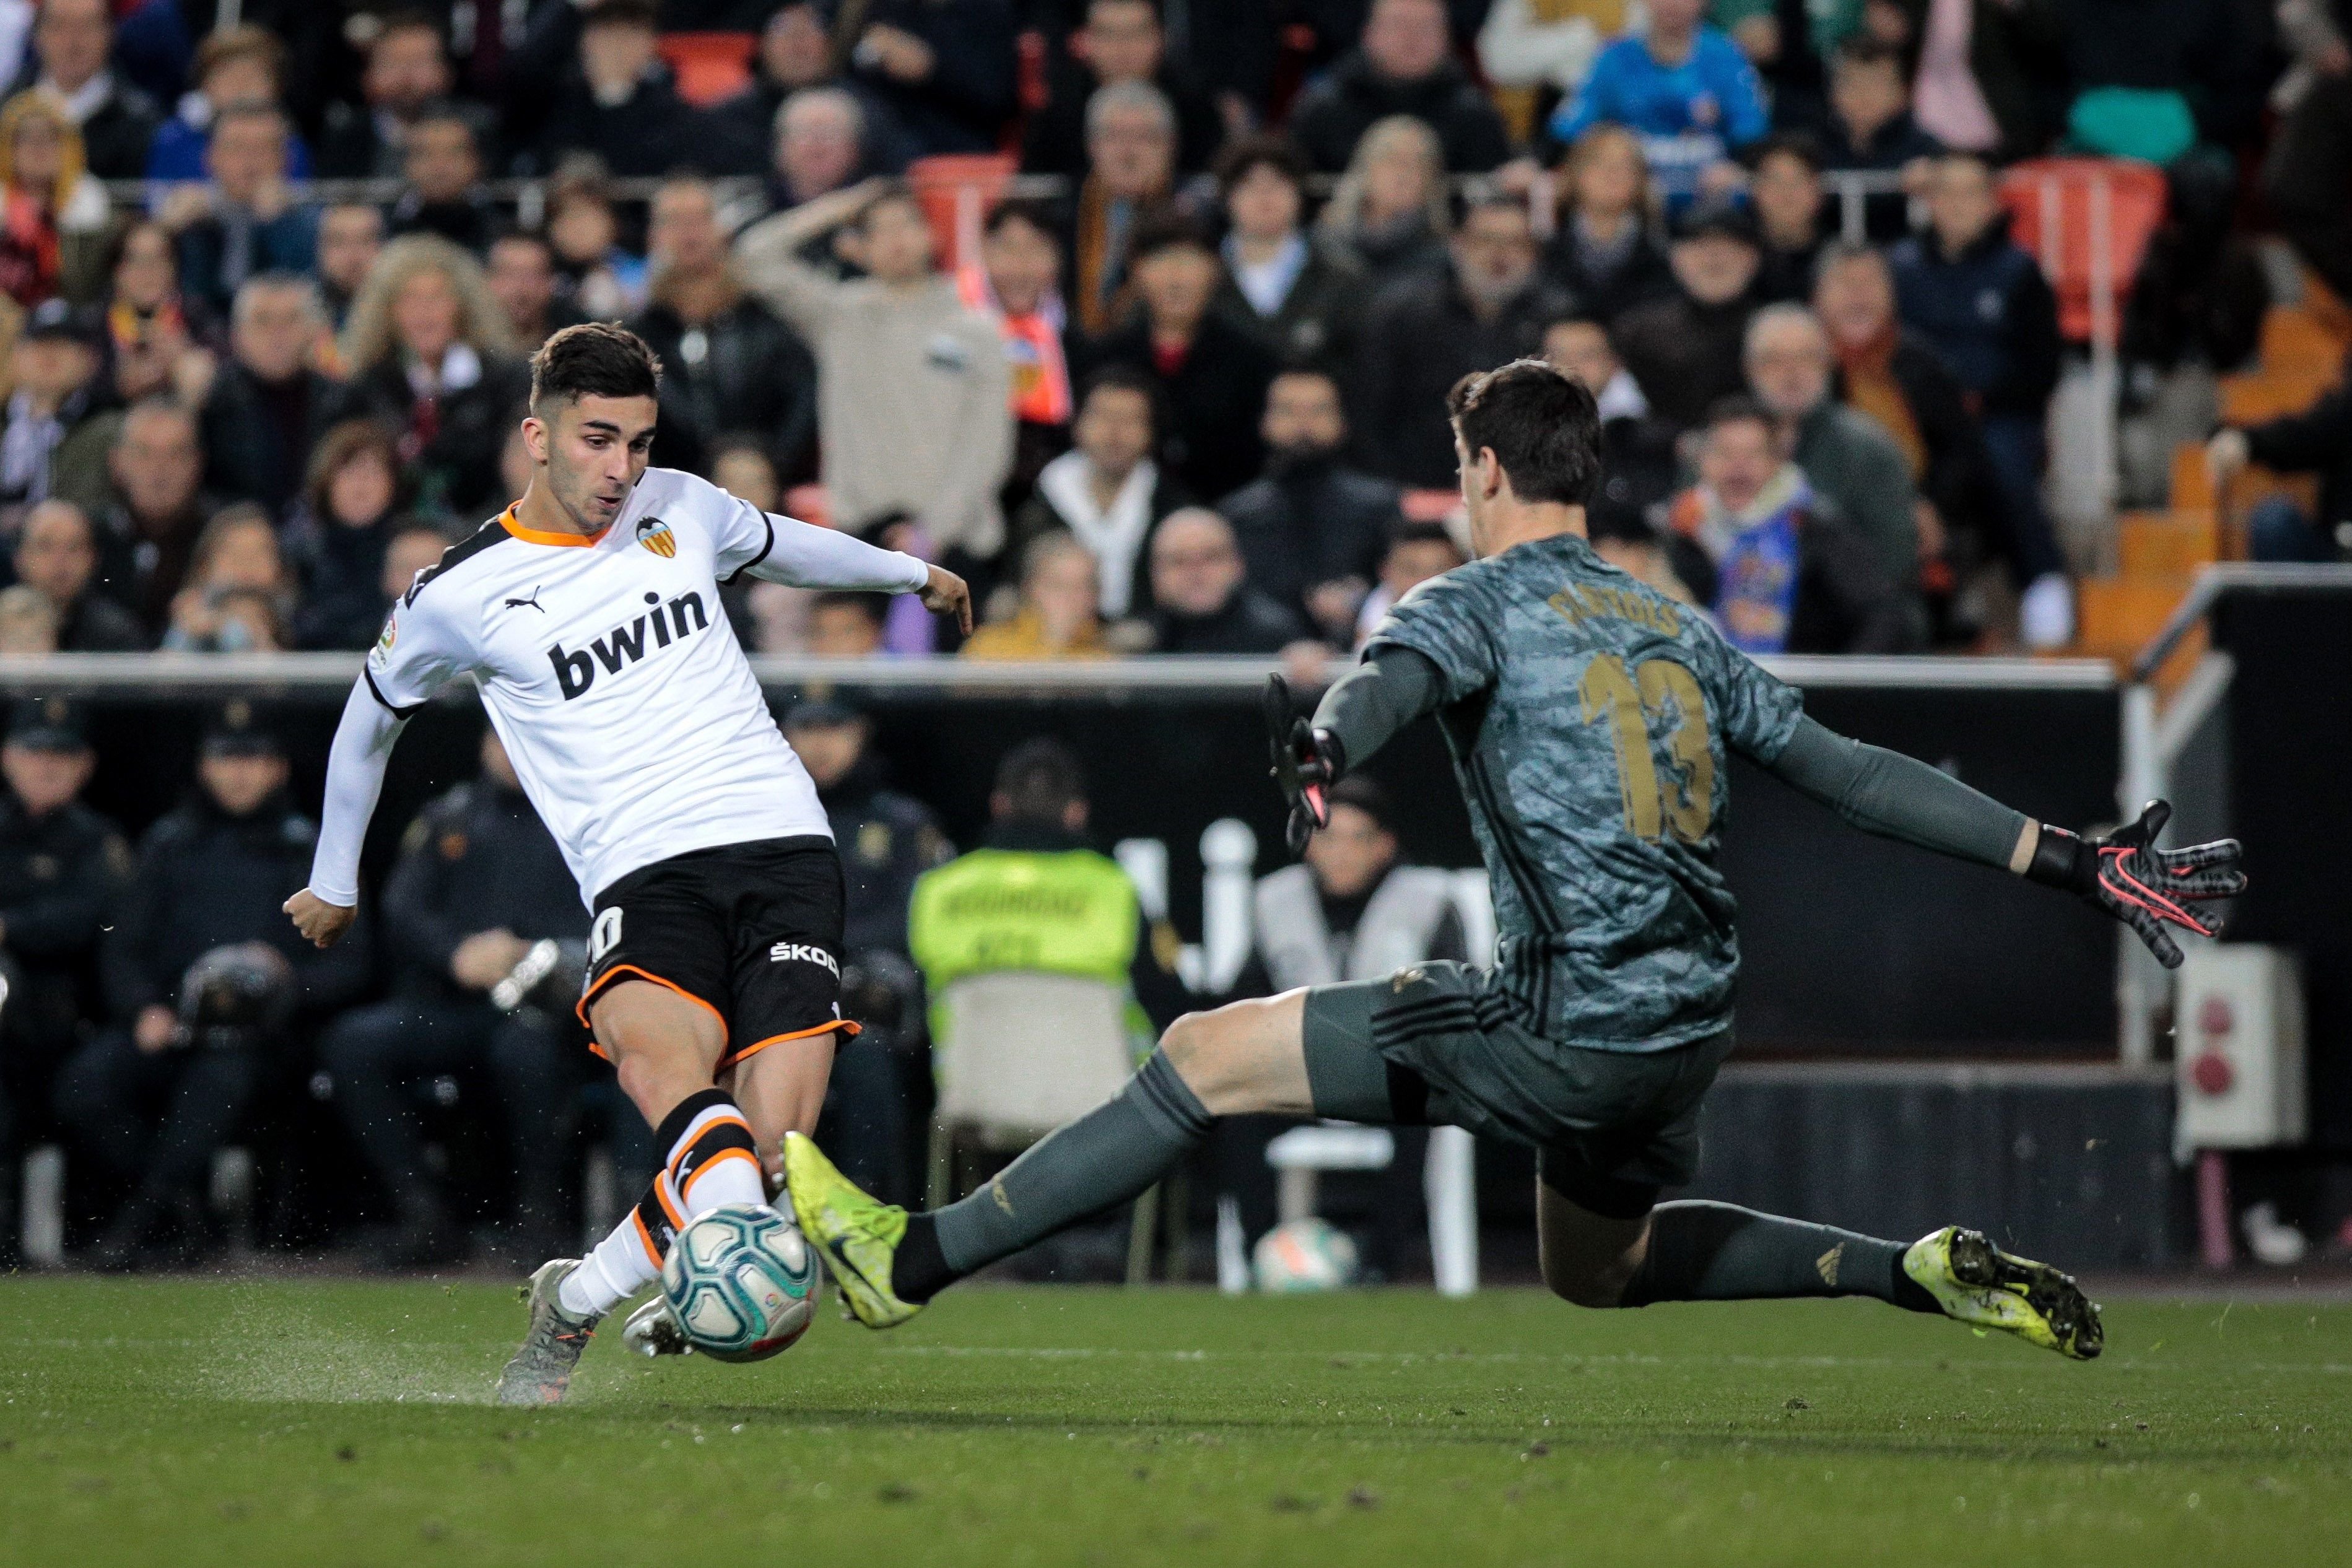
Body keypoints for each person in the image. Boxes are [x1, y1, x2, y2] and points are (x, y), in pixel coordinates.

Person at [782, 357, 2243, 1361]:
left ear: (1481, 469)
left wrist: (1326, 748)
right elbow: (1852, 776)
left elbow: (1383, 679)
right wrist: (2070, 856)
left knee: (1202, 1051)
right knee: (1591, 1267)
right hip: (1684, 1031)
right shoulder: (1672, 619)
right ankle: (1901, 1263)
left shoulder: (1468, 596)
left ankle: (904, 1259)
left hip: (1560, 1024)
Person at [281, 323, 971, 1402]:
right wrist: (334, 877)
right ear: (537, 436)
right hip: (647, 871)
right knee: (679, 1093)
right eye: (598, 440)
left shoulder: (679, 507)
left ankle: (575, 1302)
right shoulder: (458, 592)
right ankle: (678, 1279)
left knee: (762, 1160)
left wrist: (911, 574)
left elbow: (785, 540)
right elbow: (367, 722)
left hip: (786, 845)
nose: (621, 469)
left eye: (638, 443)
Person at [58, 704, 370, 1271]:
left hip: (268, 1038)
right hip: (172, 1024)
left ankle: (143, 1222)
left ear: (278, 769)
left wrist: (283, 983)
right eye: (227, 760)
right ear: (204, 768)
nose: (239, 774)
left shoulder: (313, 849)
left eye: (253, 760)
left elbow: (354, 964)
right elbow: (123, 946)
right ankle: (182, 1212)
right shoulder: (166, 845)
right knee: (87, 1084)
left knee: (219, 1080)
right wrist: (143, 1009)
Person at [319, 727, 586, 1268]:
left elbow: (605, 912)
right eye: (501, 738)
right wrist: (455, 952)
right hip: (452, 1001)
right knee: (354, 1044)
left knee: (529, 1055)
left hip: (546, 1006)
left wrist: (530, 951)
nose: (511, 753)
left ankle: (541, 1222)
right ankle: (423, 1215)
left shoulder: (583, 819)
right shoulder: (451, 816)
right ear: (485, 744)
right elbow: (402, 907)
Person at [1222, 772, 1465, 1270]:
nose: (1343, 853)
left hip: (1391, 1073)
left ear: (1386, 846)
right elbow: (1244, 997)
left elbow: (1455, 1005)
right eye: (1329, 837)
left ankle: (1382, 1265)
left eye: (1360, 839)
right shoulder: (1277, 901)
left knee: (1424, 1105)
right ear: (1309, 843)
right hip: (1302, 1070)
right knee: (1234, 1107)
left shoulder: (1427, 901)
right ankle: (1263, 1259)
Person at [735, 180, 1013, 583]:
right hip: (862, 538)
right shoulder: (838, 316)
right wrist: (841, 204)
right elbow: (753, 257)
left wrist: (933, 532)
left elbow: (988, 446)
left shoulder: (979, 330)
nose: (895, 239)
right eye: (879, 230)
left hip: (960, 543)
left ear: (931, 235)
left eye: (906, 224)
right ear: (859, 247)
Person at [1889, 153, 2070, 648]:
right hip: (1917, 413)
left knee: (2001, 461)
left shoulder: (2020, 271)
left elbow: (2042, 366)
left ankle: (2042, 578)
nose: (1958, 205)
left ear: (1993, 202)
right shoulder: (1901, 267)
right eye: (1946, 192)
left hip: (1996, 414)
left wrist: (1980, 400)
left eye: (1971, 192)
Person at [782, 697, 954, 1203]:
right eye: (806, 728)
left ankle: (867, 1209)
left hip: (866, 1005)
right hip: (781, 994)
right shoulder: (763, 817)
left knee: (868, 1056)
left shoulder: (903, 823)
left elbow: (918, 921)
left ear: (860, 733)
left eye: (833, 728)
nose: (820, 744)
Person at [1812, 241, 2006, 637]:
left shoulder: (1920, 363)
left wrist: (1932, 506)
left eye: (1869, 283)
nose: (1857, 297)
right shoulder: (1804, 365)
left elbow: (1964, 456)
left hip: (1915, 515)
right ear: (1818, 297)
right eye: (1844, 284)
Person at [0, 695, 131, 1261]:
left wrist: (11, 928)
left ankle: (106, 1233)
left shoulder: (98, 841)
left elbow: (96, 917)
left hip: (73, 1012)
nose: (46, 764)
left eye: (62, 753)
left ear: (86, 765)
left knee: (90, 1092)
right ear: (8, 757)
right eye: (35, 751)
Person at [1665, 394, 1915, 653]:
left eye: (1753, 455)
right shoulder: (1685, 530)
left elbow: (1884, 614)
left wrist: (1839, 683)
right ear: (1703, 462)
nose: (1738, 468)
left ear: (1777, 462)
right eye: (1725, 453)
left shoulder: (1812, 528)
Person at [1352, 189, 1568, 489]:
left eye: (1515, 243)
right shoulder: (1405, 317)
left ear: (1534, 254)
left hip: (1524, 492)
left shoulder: (1556, 321)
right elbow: (1371, 415)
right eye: (1486, 240)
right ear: (1458, 245)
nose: (1500, 254)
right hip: (1415, 489)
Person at [628, 177, 819, 485]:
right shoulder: (636, 338)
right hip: (663, 493)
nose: (689, 233)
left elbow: (803, 403)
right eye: (674, 221)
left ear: (721, 229)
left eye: (700, 218)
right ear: (655, 236)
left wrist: (771, 465)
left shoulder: (765, 325)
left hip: (757, 491)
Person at [1080, 214, 1276, 505]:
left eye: (1190, 261)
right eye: (1160, 260)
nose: (1176, 278)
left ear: (1215, 270)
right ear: (1137, 271)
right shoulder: (1105, 356)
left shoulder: (1253, 358)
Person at [333, 233, 532, 520]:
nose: (425, 312)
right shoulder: (366, 389)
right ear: (388, 313)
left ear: (462, 307)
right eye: (410, 299)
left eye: (437, 297)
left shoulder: (505, 382)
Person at [1744, 303, 1925, 609]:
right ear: (1750, 369)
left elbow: (1896, 560)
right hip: (1744, 612)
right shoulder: (1721, 444)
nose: (1791, 373)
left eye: (1805, 358)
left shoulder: (1869, 448)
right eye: (1774, 361)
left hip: (1848, 615)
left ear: (1828, 364)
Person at [1217, 365, 1400, 644]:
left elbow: (1402, 583)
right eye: (1289, 411)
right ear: (1265, 422)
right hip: (1260, 659)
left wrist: (1359, 601)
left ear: (1341, 421)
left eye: (1318, 411)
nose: (1304, 425)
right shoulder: (1237, 515)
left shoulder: (1379, 506)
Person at [1011, 367, 1188, 622]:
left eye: (1130, 419)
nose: (1114, 432)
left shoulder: (1176, 510)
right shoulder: (1035, 507)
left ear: (1151, 432)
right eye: (1102, 416)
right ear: (1077, 424)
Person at [1553, 0, 1769, 202]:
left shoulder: (1728, 57)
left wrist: (1738, 170)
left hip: (1711, 201)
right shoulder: (1614, 58)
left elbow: (1753, 136)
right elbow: (1569, 129)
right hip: (1631, 201)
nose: (1674, 5)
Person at [1289, 0, 1511, 174]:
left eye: (1426, 28)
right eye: (1399, 25)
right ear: (1369, 34)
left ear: (1447, 38)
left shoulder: (1475, 115)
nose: (1412, 38)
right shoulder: (1322, 111)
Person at [1210, 134, 1370, 374]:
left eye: (1278, 182)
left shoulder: (1341, 276)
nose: (1265, 196)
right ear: (1228, 198)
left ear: (1298, 193)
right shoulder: (1203, 278)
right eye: (1249, 184)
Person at [1611, 196, 1764, 430]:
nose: (1714, 260)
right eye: (1700, 246)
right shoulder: (1637, 332)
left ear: (1752, 258)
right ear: (1676, 258)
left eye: (1727, 247)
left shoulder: (1779, 333)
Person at [1023, 0, 1224, 178]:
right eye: (1109, 34)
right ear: (1087, 41)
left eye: (1135, 34)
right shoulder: (1060, 108)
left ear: (1161, 38)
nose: (1122, 48)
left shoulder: (1194, 104)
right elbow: (1035, 189)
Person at [958, 199, 1075, 502]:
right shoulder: (951, 326)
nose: (1020, 266)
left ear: (1057, 258)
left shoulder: (1080, 331)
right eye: (1007, 249)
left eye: (1035, 249)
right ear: (983, 252)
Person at [196, 273, 336, 520]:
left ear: (312, 331)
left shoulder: (339, 399)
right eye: (263, 321)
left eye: (290, 320)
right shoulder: (211, 403)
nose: (277, 334)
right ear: (237, 335)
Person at [165, 101, 318, 322]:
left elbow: (309, 298)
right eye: (236, 147)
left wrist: (277, 226)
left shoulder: (308, 222)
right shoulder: (189, 219)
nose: (249, 161)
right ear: (211, 157)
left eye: (262, 148)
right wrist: (166, 231)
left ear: (286, 159)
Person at [1543, 315, 1679, 546]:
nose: (1571, 367)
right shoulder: (1516, 439)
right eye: (1559, 357)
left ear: (1614, 364)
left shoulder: (1652, 442)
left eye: (1587, 356)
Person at [280, 419, 412, 651]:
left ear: (394, 485)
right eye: (349, 472)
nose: (361, 483)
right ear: (325, 483)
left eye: (373, 472)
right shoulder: (297, 558)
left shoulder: (410, 553)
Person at [533, 0, 700, 180]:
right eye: (607, 30)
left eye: (631, 32)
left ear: (651, 43)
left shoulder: (671, 113)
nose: (618, 46)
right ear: (584, 40)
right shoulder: (557, 105)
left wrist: (617, 92)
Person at [1066, 79, 1183, 335]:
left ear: (1170, 147)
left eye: (1143, 137)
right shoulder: (1061, 218)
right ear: (1092, 146)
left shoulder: (1193, 221)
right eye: (1114, 137)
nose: (1127, 151)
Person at [2203, 362, 2352, 564]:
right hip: (2338, 562)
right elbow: (2306, 436)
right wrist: (2247, 442)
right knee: (2273, 521)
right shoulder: (2345, 411)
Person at [838, 0, 1019, 159]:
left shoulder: (983, 9)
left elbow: (998, 97)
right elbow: (852, 81)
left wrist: (931, 69)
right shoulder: (882, 9)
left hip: (956, 143)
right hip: (882, 135)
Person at [94, 397, 214, 632]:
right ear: (117, 462)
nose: (159, 468)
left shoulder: (220, 536)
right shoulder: (88, 537)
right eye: (143, 452)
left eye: (175, 454)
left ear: (197, 463)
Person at [141, 24, 311, 187]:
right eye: (228, 75)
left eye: (252, 76)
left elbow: (301, 196)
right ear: (204, 84)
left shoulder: (289, 142)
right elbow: (153, 200)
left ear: (277, 87)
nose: (240, 87)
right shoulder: (174, 140)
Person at [1541, 126, 1675, 327]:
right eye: (1598, 163)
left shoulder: (1662, 254)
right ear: (1574, 174)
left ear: (1641, 180)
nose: (1612, 174)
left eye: (1624, 165)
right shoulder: (1545, 251)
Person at [18, 0, 161, 181]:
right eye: (59, 26)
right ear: (37, 34)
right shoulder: (8, 111)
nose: (73, 42)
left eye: (88, 27)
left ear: (111, 33)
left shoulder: (142, 122)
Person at [1821, 38, 1943, 242]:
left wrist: (1938, 175)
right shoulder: (1813, 147)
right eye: (1854, 83)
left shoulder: (1928, 150)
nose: (1865, 95)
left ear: (1903, 94)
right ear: (1834, 94)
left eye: (1877, 84)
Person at [1315, 115, 1452, 295]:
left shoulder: (1444, 260)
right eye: (1393, 160)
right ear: (1365, 169)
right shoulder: (1323, 245)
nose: (1404, 174)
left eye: (1418, 164)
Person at [1144, 507, 1307, 653]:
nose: (1196, 573)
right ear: (1155, 573)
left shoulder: (1278, 636)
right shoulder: (1140, 642)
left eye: (1211, 557)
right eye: (1179, 561)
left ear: (1238, 564)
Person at [0, 90, 110, 307]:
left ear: (69, 146)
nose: (38, 148)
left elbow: (88, 290)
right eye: (26, 138)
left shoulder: (92, 208)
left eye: (50, 137)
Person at [315, 9, 452, 180]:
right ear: (369, 75)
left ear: (446, 71)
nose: (406, 77)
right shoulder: (346, 135)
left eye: (420, 63)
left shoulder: (476, 128)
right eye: (393, 63)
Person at [0, 297, 106, 512]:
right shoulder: (4, 424)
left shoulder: (107, 430)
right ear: (17, 356)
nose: (49, 354)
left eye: (63, 343)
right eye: (39, 342)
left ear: (90, 360)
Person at [961, 529, 1114, 660]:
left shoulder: (1109, 656)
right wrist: (1054, 643)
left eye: (1084, 587)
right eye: (1058, 586)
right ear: (1030, 589)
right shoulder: (988, 648)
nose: (1072, 598)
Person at [11, 498, 142, 649]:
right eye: (46, 546)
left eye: (74, 547)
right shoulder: (4, 623)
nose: (60, 560)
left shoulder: (117, 635)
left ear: (93, 559)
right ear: (20, 558)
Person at [159, 502, 288, 653]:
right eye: (234, 554)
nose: (247, 566)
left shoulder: (302, 627)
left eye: (259, 554)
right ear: (205, 568)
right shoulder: (187, 625)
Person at [386, 107, 497, 257]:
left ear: (475, 163)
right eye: (426, 155)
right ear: (408, 165)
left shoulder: (500, 232)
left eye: (454, 154)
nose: (440, 167)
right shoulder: (385, 227)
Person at [1351, 519, 1466, 646]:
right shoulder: (1348, 625)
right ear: (1386, 572)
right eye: (1412, 570)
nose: (1426, 581)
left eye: (1439, 570)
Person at [1746, 133, 1828, 305]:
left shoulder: (1836, 260)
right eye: (1775, 180)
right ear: (1756, 191)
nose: (1786, 193)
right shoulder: (1741, 259)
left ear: (1817, 190)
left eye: (1797, 181)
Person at [484, 230, 581, 352]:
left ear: (551, 282)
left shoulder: (572, 350)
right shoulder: (467, 350)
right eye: (508, 274)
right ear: (486, 277)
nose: (519, 289)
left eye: (534, 275)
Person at [315, 202, 384, 331]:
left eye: (365, 241)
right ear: (321, 250)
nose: (353, 257)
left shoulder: (404, 319)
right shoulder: (304, 325)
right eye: (339, 242)